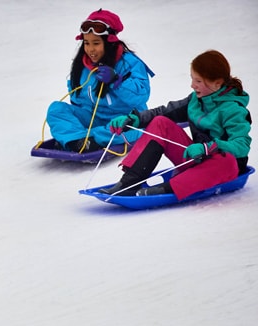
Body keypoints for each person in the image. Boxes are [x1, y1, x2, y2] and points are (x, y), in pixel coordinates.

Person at [100, 49, 251, 198]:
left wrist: (207, 148)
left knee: (227, 161)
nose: (193, 85)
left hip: (223, 167)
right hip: (196, 159)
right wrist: (135, 119)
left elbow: (241, 145)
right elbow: (164, 112)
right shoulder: (195, 100)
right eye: (192, 79)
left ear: (217, 83)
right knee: (161, 122)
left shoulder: (233, 109)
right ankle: (129, 182)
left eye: (198, 81)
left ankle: (168, 188)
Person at [46, 8, 153, 152]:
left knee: (131, 130)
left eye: (96, 43)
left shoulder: (129, 63)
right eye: (86, 43)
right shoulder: (82, 66)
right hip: (94, 120)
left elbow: (141, 95)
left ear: (109, 42)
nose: (90, 49)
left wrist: (117, 81)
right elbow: (78, 100)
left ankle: (81, 139)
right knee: (56, 109)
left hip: (123, 120)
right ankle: (81, 140)